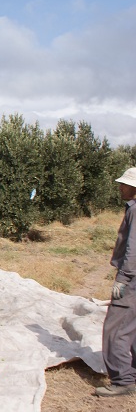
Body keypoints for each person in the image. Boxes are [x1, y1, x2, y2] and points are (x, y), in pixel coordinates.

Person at [97, 167, 136, 397]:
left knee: (116, 328)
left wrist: (123, 278)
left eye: (124, 184)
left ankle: (123, 380)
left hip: (132, 279)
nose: (120, 188)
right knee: (133, 326)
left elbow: (133, 250)